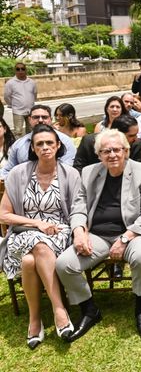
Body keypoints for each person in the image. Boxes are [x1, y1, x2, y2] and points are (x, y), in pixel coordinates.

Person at [56, 129, 141, 342]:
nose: (112, 154)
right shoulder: (89, 172)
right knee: (64, 264)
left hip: (133, 232)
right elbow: (79, 207)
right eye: (105, 151)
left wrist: (124, 239)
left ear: (126, 151)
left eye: (116, 150)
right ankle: (89, 309)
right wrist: (78, 231)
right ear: (99, 154)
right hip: (98, 235)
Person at [0, 124, 81, 348]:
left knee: (30, 260)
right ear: (33, 149)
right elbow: (3, 215)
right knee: (38, 245)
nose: (45, 147)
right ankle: (59, 309)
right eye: (40, 144)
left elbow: (77, 210)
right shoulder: (18, 173)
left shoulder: (70, 174)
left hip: (60, 232)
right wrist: (36, 223)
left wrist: (78, 231)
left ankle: (35, 320)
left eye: (49, 143)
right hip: (24, 232)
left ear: (58, 146)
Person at [0, 105, 76, 180]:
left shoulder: (65, 141)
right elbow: (7, 170)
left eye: (44, 117)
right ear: (29, 119)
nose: (40, 120)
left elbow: (67, 170)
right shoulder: (19, 145)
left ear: (51, 119)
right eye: (36, 117)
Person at [73, 114, 141, 172]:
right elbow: (78, 169)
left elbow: (137, 171)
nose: (135, 139)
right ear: (118, 133)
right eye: (131, 136)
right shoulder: (89, 142)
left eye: (136, 134)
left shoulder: (136, 144)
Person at [4, 62, 37, 136]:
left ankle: (30, 146)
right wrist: (13, 105)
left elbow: (34, 94)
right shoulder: (10, 83)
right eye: (18, 69)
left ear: (26, 70)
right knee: (18, 132)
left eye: (22, 69)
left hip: (30, 110)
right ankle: (19, 147)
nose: (20, 71)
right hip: (18, 111)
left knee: (31, 131)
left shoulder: (32, 82)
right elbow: (6, 96)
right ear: (15, 71)